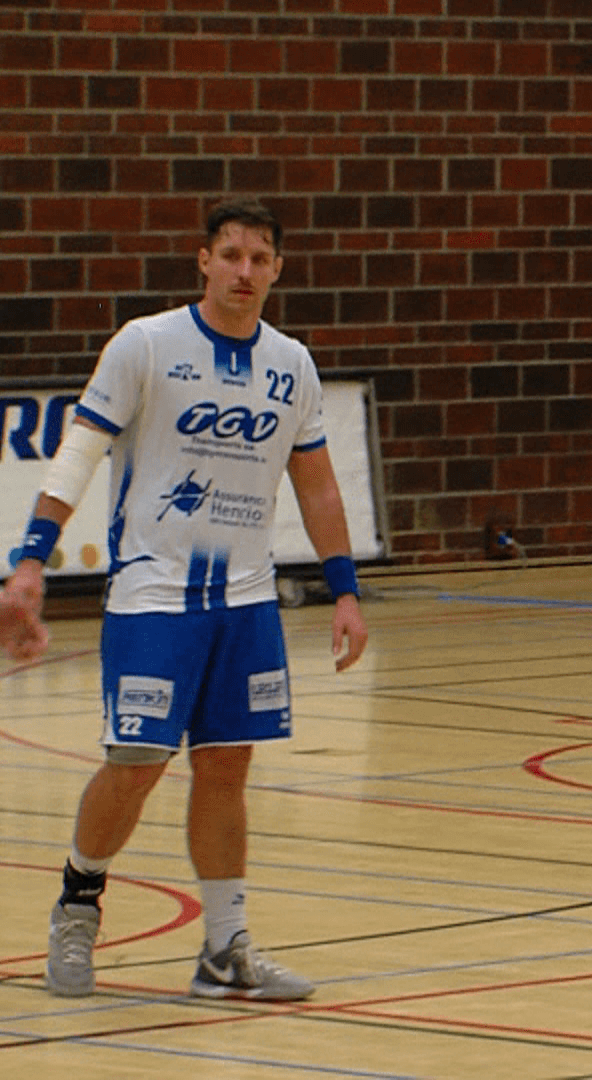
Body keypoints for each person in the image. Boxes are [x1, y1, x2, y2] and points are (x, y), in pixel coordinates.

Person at [0, 198, 369, 1001]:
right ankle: (78, 901)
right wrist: (29, 562)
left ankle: (223, 949)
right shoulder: (147, 345)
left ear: (277, 269)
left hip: (246, 603)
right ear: (203, 261)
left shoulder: (291, 364)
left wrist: (345, 590)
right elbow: (77, 455)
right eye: (230, 254)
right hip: (152, 596)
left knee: (227, 769)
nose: (244, 271)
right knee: (134, 764)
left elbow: (317, 483)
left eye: (260, 258)